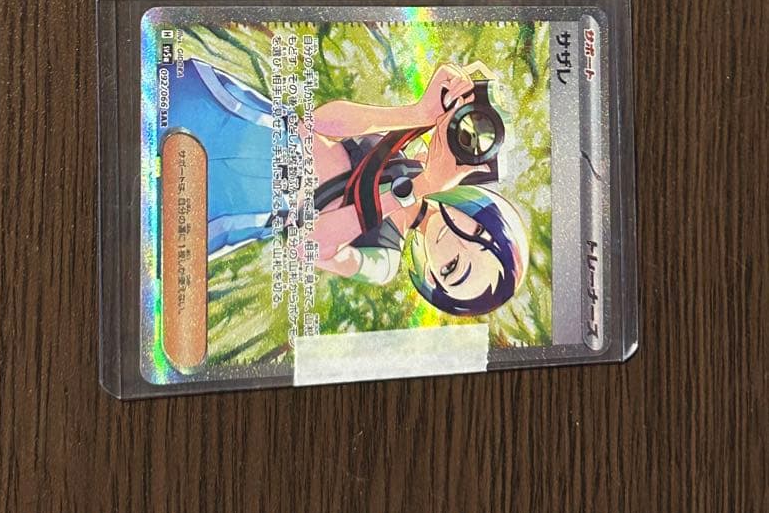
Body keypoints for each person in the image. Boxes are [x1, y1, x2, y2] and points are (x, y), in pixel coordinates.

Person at [164, 56, 528, 317]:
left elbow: (307, 246)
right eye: (477, 230)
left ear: (431, 275)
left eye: (453, 267)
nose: (456, 241)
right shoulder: (402, 150)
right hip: (236, 120)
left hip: (229, 206)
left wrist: (421, 187)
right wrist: (418, 114)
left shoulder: (384, 261)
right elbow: (318, 122)